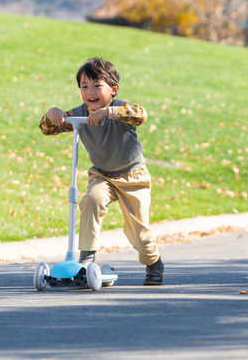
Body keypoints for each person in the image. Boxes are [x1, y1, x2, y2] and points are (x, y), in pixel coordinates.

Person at [39, 57, 164, 285]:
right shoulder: (80, 113)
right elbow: (48, 129)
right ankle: (87, 259)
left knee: (139, 234)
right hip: (102, 175)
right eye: (84, 87)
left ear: (113, 89)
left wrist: (107, 113)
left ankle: (153, 262)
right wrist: (52, 113)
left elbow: (141, 114)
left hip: (132, 176)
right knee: (91, 201)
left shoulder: (120, 110)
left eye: (97, 86)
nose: (90, 92)